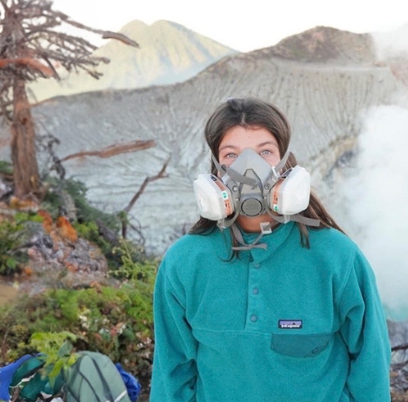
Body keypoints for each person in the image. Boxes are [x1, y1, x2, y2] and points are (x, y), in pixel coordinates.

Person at [151, 98, 391, 401]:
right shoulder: (185, 263)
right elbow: (171, 373)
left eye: (265, 152)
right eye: (231, 154)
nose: (249, 169)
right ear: (215, 170)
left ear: (286, 164)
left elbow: (371, 368)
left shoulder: (336, 258)